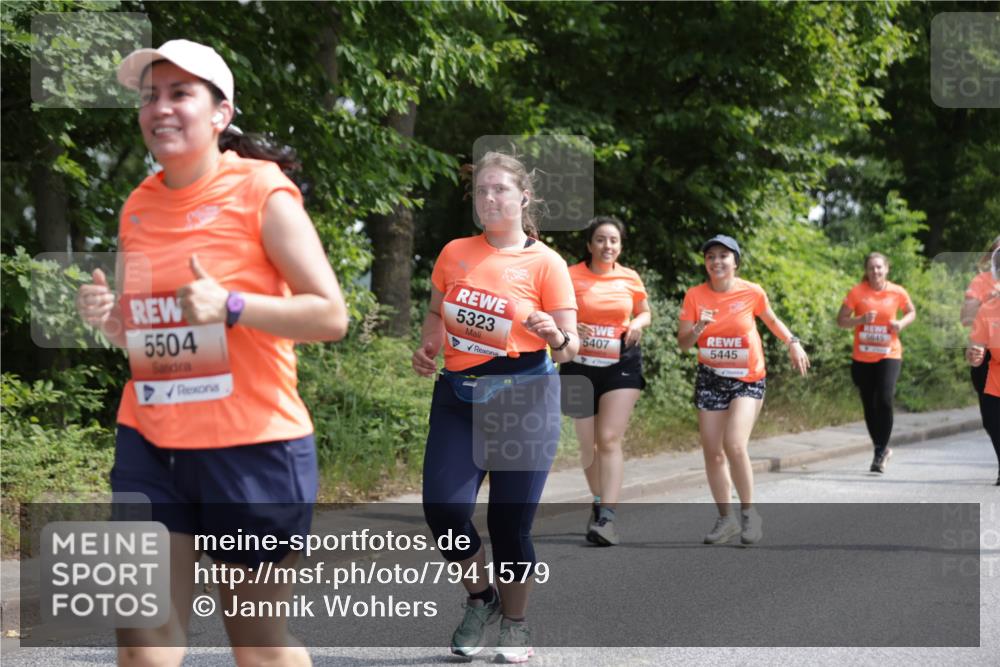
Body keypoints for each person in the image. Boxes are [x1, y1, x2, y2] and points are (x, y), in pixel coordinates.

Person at [76, 39, 348, 667]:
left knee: (256, 645)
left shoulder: (262, 191)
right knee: (143, 639)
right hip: (151, 437)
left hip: (251, 445)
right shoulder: (139, 205)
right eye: (151, 97)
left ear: (220, 114)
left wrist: (232, 305)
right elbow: (149, 337)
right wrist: (112, 322)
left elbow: (330, 315)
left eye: (180, 94)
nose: (161, 108)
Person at [411, 151, 578, 662]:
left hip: (524, 399)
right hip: (459, 397)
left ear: (523, 197)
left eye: (500, 190)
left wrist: (556, 334)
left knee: (509, 526)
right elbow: (438, 311)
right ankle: (481, 599)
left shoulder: (545, 262)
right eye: (482, 191)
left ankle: (517, 623)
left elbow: (570, 346)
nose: (489, 199)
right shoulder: (454, 252)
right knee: (443, 510)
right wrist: (428, 346)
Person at [677, 235, 809, 546]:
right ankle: (726, 520)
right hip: (710, 378)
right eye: (711, 256)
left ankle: (750, 514)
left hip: (747, 378)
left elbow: (773, 321)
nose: (717, 261)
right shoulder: (695, 296)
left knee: (734, 444)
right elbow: (683, 344)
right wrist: (699, 328)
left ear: (735, 262)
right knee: (713, 452)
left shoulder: (751, 292)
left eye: (724, 256)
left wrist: (793, 343)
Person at [558, 216, 651, 546]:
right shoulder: (569, 275)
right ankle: (598, 502)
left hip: (620, 363)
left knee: (608, 439)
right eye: (600, 239)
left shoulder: (629, 277)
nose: (607, 246)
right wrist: (572, 326)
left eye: (613, 240)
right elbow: (556, 312)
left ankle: (608, 517)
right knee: (588, 445)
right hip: (577, 366)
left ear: (620, 245)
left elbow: (644, 311)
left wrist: (638, 323)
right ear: (589, 245)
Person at [836, 252, 916, 474]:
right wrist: (859, 320)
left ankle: (881, 449)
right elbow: (840, 321)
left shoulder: (897, 292)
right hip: (862, 356)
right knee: (869, 404)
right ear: (866, 270)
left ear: (887, 269)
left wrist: (900, 323)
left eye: (879, 267)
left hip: (889, 354)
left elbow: (911, 312)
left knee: (884, 398)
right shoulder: (857, 292)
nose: (876, 271)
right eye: (871, 268)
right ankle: (880, 447)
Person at [966, 246, 1000, 485]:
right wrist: (974, 354)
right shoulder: (988, 308)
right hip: (994, 373)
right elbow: (976, 347)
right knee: (990, 419)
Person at [961, 236, 1000, 437]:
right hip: (984, 352)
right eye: (997, 250)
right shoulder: (981, 281)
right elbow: (966, 318)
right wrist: (989, 299)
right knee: (991, 418)